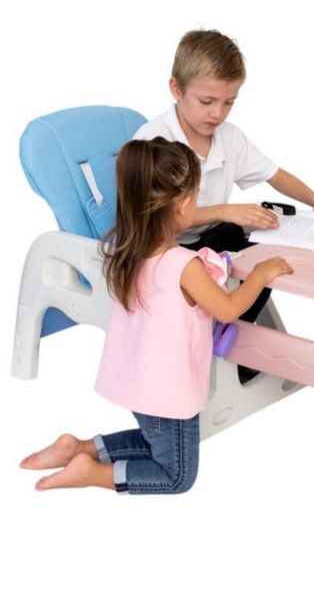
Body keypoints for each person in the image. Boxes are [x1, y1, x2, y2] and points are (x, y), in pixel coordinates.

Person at [20, 138, 292, 493]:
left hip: (139, 383)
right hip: (167, 390)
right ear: (182, 205)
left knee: (157, 441)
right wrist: (259, 275)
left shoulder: (126, 253)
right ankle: (91, 473)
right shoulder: (185, 266)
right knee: (176, 475)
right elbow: (227, 309)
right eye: (196, 196)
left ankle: (80, 448)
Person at [134, 29, 314, 321]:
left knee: (270, 261)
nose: (218, 113)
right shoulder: (154, 143)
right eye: (207, 101)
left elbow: (274, 174)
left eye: (229, 102)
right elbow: (153, 222)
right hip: (165, 248)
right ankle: (221, 332)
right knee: (246, 264)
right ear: (176, 89)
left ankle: (237, 333)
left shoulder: (228, 136)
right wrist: (225, 211)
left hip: (209, 238)